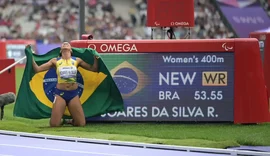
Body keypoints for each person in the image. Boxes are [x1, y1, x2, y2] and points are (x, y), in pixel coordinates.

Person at [28, 42, 99, 127]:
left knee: (81, 123)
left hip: (73, 94)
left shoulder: (77, 60)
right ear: (60, 50)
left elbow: (94, 69)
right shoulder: (55, 61)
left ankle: (69, 121)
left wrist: (96, 58)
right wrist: (30, 56)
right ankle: (62, 118)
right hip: (60, 94)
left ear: (71, 50)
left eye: (67, 44)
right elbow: (37, 69)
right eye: (63, 44)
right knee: (54, 125)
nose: (65, 44)